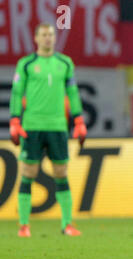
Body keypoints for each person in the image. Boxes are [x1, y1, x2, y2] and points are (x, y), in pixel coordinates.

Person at [9, 23, 87, 237]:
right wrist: (15, 120)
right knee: (28, 173)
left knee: (61, 172)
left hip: (57, 126)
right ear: (36, 38)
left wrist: (79, 119)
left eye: (51, 35)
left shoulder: (64, 63)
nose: (48, 38)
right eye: (43, 35)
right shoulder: (26, 64)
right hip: (32, 126)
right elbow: (17, 94)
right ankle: (24, 225)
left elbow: (72, 93)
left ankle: (67, 224)